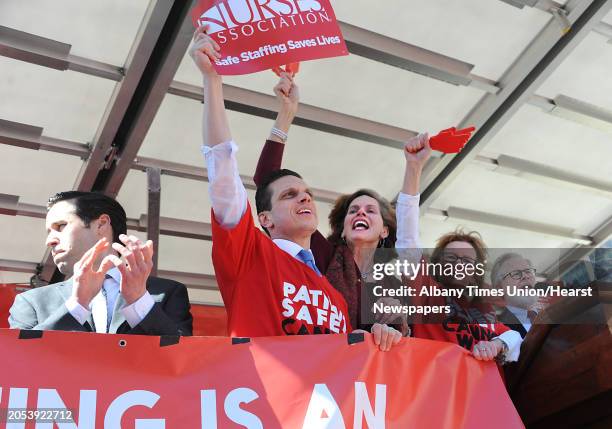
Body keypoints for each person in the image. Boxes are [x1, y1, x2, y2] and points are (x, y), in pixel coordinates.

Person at [190, 26, 401, 350]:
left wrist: (386, 335)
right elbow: (224, 171)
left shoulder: (335, 295)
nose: (304, 196)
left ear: (386, 229)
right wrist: (213, 80)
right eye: (290, 195)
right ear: (265, 220)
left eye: (307, 194)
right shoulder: (250, 254)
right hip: (261, 398)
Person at [254, 72, 429, 334]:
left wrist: (413, 168)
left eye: (371, 211)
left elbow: (408, 238)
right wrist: (286, 114)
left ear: (384, 230)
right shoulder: (323, 256)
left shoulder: (395, 275)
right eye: (353, 210)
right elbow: (267, 181)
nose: (361, 213)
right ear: (343, 227)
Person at [9, 191, 193, 336]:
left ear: (101, 224)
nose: (49, 241)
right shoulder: (31, 301)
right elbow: (19, 361)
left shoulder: (168, 293)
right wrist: (77, 305)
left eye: (61, 226)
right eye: (48, 232)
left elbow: (185, 361)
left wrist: (139, 301)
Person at [410, 230, 523, 363]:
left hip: (484, 383)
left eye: (467, 261)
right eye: (451, 258)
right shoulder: (426, 292)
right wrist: (409, 208)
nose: (459, 265)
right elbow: (409, 248)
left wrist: (496, 344)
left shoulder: (486, 314)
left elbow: (515, 337)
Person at [491, 253, 547, 338]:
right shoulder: (495, 329)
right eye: (516, 273)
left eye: (528, 271)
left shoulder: (552, 312)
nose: (525, 276)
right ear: (499, 288)